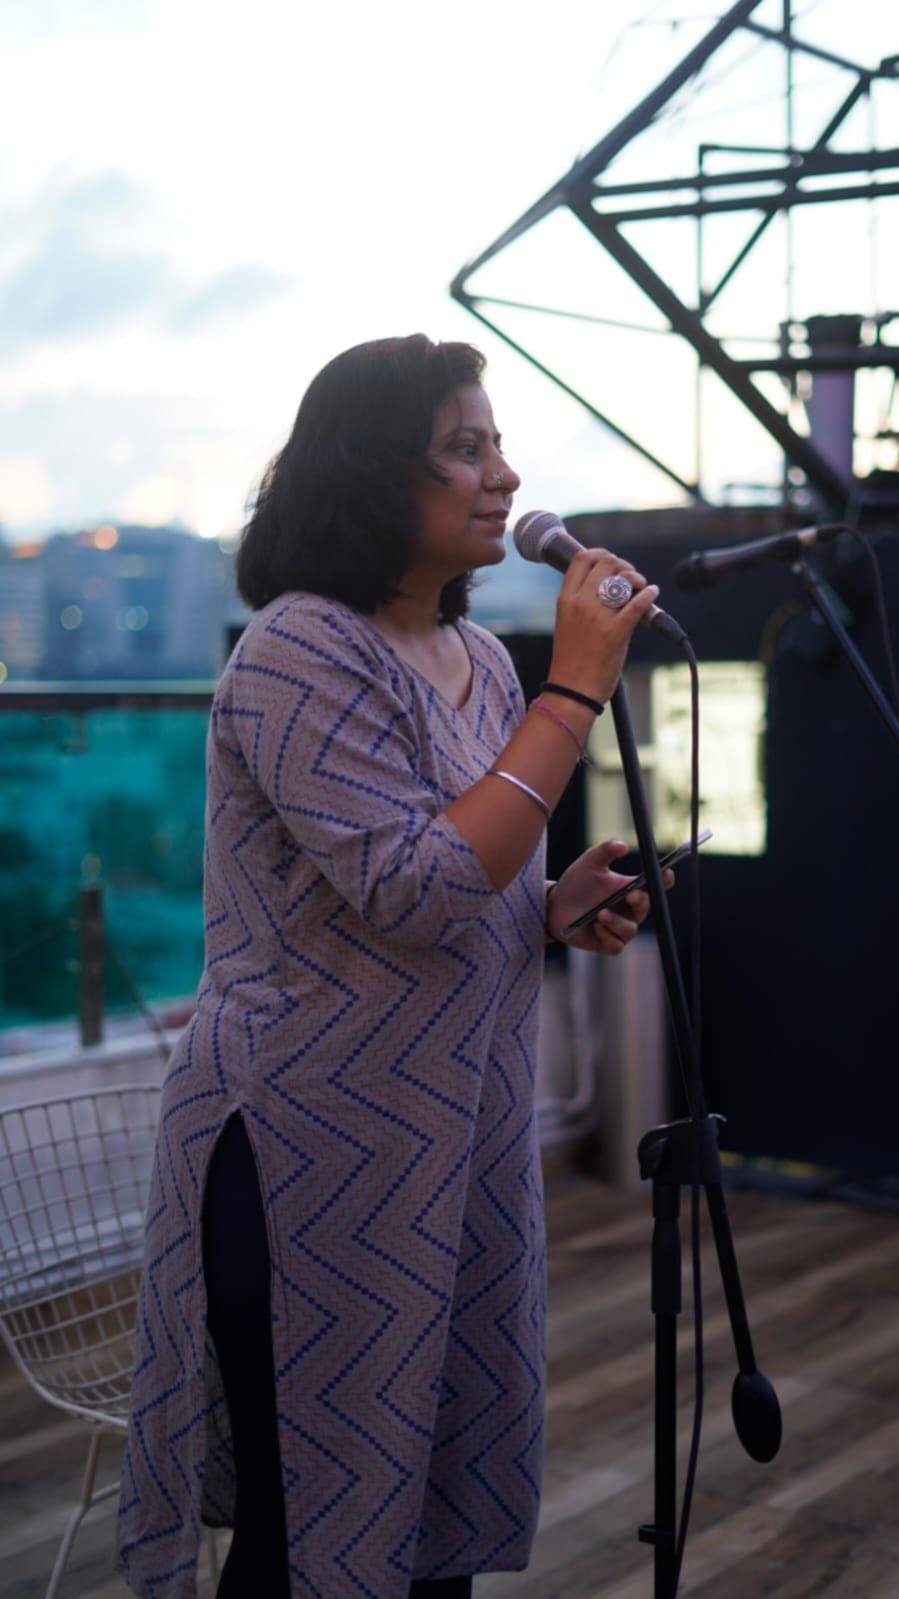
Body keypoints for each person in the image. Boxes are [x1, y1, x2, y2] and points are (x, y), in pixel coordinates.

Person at [115, 333, 667, 1599]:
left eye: (496, 444)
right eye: (462, 449)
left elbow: (460, 879)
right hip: (313, 1155)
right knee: (312, 1528)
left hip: (455, 1144)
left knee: (432, 1521)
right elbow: (413, 891)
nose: (502, 475)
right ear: (370, 475)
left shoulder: (480, 661)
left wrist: (549, 908)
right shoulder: (298, 651)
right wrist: (575, 692)